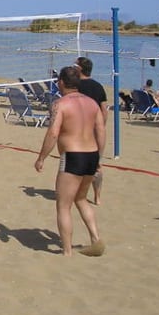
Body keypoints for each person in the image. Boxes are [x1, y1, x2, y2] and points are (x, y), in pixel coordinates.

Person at [34, 65, 105, 257]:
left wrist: (41, 158)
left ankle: (67, 251)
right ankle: (95, 239)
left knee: (63, 205)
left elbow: (53, 133)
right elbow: (101, 130)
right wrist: (99, 156)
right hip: (91, 154)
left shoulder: (61, 104)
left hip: (73, 155)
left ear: (61, 83)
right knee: (81, 199)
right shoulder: (92, 103)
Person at [74, 56, 108, 204]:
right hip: (95, 130)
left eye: (75, 65)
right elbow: (104, 110)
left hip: (81, 130)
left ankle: (79, 193)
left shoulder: (75, 86)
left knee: (75, 162)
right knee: (96, 165)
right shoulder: (98, 86)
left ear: (80, 69)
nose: (73, 67)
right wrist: (101, 126)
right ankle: (97, 197)